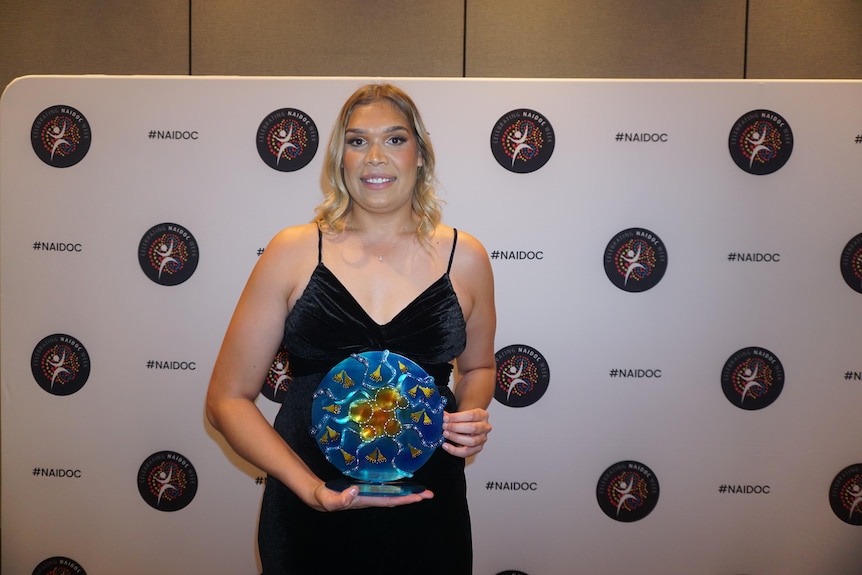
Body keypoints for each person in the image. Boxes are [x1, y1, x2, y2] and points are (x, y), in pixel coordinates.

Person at [206, 83, 497, 575]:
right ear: (339, 158)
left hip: (426, 504)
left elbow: (480, 367)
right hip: (308, 506)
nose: (375, 157)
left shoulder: (465, 257)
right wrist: (310, 490)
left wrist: (470, 415)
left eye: (395, 140)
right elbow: (227, 400)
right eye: (358, 141)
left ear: (421, 155)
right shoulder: (293, 252)